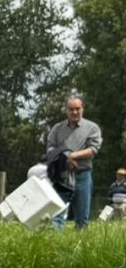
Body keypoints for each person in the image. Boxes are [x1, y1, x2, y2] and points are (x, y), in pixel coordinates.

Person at [46, 97, 102, 230]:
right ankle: (55, 245)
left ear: (82, 109)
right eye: (71, 109)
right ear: (66, 110)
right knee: (56, 214)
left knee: (82, 218)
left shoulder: (92, 128)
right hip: (61, 176)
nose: (75, 112)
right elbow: (50, 148)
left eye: (77, 109)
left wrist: (72, 156)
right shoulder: (57, 128)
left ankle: (80, 247)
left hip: (83, 176)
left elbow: (93, 149)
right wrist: (65, 158)